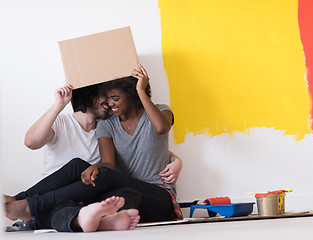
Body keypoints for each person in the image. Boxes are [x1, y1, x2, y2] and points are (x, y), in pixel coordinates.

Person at [5, 65, 182, 225]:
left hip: (159, 195)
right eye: (108, 98)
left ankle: (29, 207)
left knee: (106, 179)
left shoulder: (160, 110)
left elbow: (161, 128)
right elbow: (108, 164)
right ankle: (18, 199)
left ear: (133, 95)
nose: (110, 103)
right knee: (79, 166)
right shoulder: (107, 124)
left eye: (115, 98)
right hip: (126, 191)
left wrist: (141, 91)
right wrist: (96, 167)